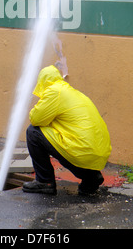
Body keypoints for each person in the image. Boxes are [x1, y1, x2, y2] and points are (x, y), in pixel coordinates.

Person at [23, 65, 112, 196]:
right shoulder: (72, 92)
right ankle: (91, 177)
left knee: (33, 132)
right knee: (67, 141)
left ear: (42, 82)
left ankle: (44, 182)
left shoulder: (54, 91)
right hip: (97, 154)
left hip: (81, 150)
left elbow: (36, 119)